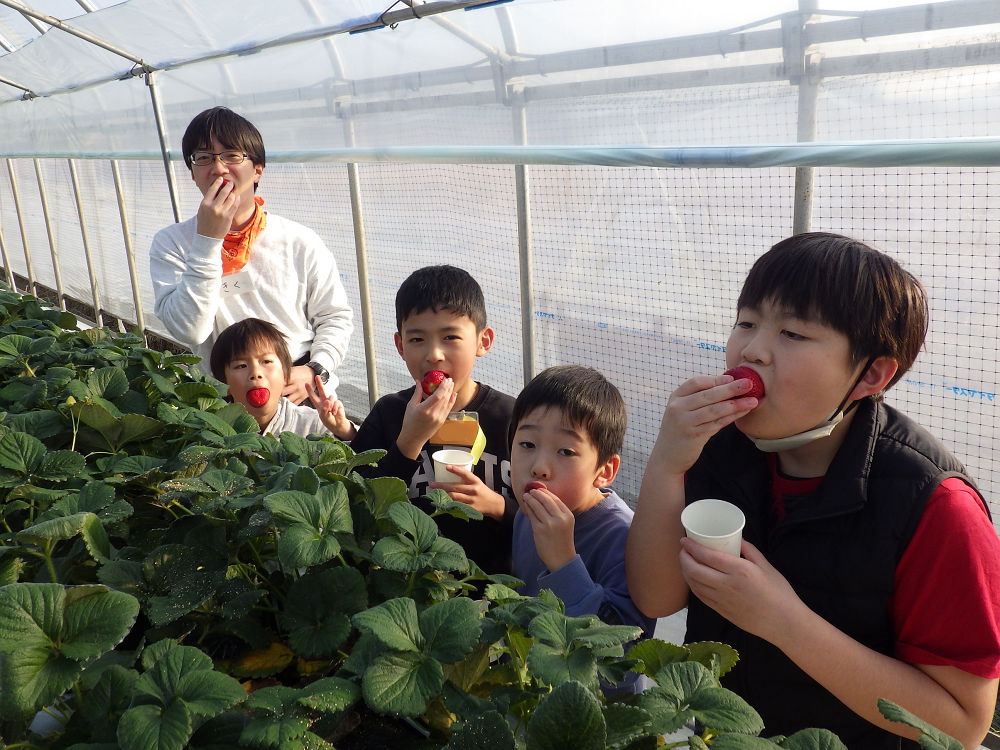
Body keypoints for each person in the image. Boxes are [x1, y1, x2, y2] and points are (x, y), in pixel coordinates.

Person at [625, 233, 1000, 748]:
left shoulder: (937, 506)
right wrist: (667, 463)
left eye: (793, 333)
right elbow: (655, 597)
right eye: (747, 322)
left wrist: (783, 621)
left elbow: (962, 723)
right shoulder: (718, 446)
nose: (752, 350)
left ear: (871, 374)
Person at [150, 106, 353, 404]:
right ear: (192, 173)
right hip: (223, 396)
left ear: (258, 168)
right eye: (204, 158)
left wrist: (315, 369)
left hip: (297, 388)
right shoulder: (172, 243)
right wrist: (207, 240)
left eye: (232, 155)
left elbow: (334, 317)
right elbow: (190, 330)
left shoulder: (298, 240)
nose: (218, 168)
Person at [350, 265, 516, 575]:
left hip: (495, 589)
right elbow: (358, 507)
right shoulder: (388, 414)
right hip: (409, 584)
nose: (434, 354)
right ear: (400, 346)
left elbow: (550, 513)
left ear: (483, 341)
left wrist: (499, 506)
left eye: (450, 336)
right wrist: (409, 441)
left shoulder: (512, 419)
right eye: (417, 339)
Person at [510, 365, 655, 691]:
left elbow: (621, 663)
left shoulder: (625, 539)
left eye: (566, 451)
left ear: (605, 471)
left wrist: (563, 562)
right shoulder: (526, 514)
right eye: (527, 444)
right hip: (532, 689)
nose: (539, 467)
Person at [210, 318, 356, 440]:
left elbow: (362, 453)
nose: (255, 373)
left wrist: (344, 430)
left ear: (285, 376)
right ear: (223, 385)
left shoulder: (314, 423)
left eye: (266, 361)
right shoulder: (214, 428)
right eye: (241, 366)